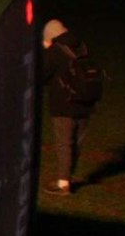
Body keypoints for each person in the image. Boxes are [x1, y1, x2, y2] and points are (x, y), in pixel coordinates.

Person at [41, 18, 102, 194]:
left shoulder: (55, 50)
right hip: (85, 101)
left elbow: (43, 75)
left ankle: (63, 183)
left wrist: (47, 48)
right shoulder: (81, 45)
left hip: (64, 104)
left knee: (64, 143)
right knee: (76, 142)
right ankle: (68, 176)